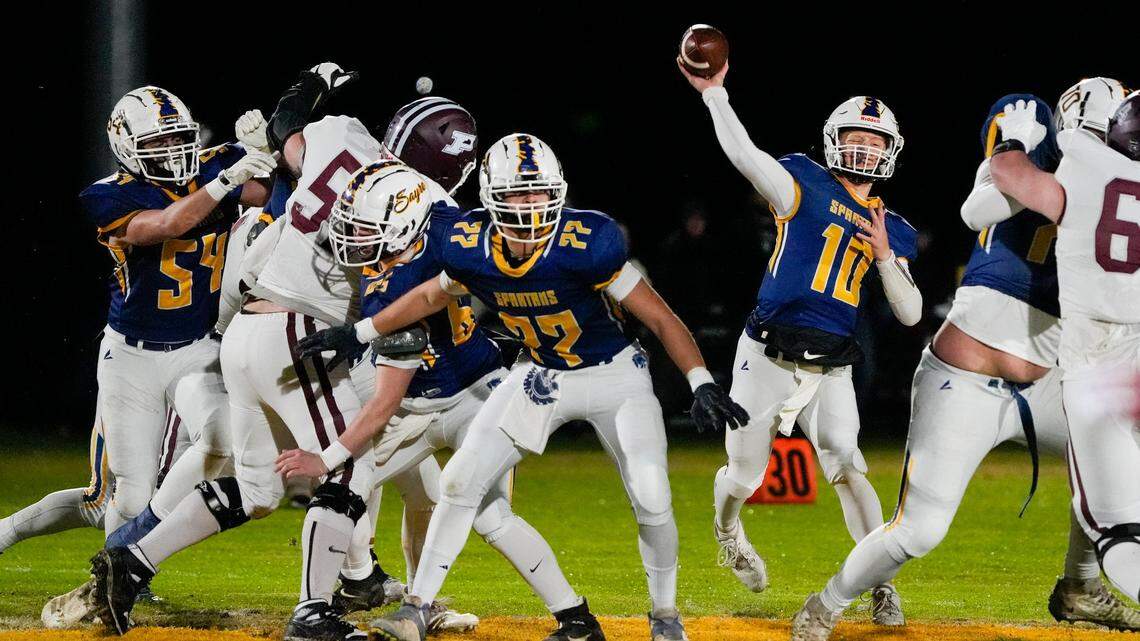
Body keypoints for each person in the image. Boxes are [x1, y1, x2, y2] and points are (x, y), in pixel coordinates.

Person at [298, 133, 748, 641]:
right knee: (458, 482)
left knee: (651, 494)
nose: (530, 205)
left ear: (557, 191)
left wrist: (702, 380)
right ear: (492, 197)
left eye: (538, 192)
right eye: (517, 194)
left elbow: (662, 318)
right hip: (539, 374)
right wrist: (360, 331)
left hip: (612, 374)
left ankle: (665, 616)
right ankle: (418, 608)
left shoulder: (586, 243)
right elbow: (429, 295)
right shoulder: (470, 245)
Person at [790, 92, 1138, 641]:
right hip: (966, 380)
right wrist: (1024, 149)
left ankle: (1081, 586)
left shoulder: (1119, 190)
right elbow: (976, 211)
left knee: (1111, 464)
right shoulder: (1031, 154)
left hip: (1047, 383)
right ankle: (827, 603)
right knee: (919, 532)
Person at [678, 58, 919, 625]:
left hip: (830, 366)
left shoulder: (895, 227)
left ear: (890, 152)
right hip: (766, 353)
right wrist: (715, 94)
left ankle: (876, 579)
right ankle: (728, 530)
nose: (862, 150)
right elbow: (744, 156)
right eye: (854, 139)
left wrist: (884, 254)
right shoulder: (802, 182)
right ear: (834, 142)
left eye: (873, 141)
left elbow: (909, 313)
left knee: (848, 463)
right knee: (744, 475)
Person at [990, 94, 1140, 604]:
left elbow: (1008, 172)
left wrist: (1015, 139)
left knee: (1118, 533)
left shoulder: (1082, 157)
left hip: (1098, 358)